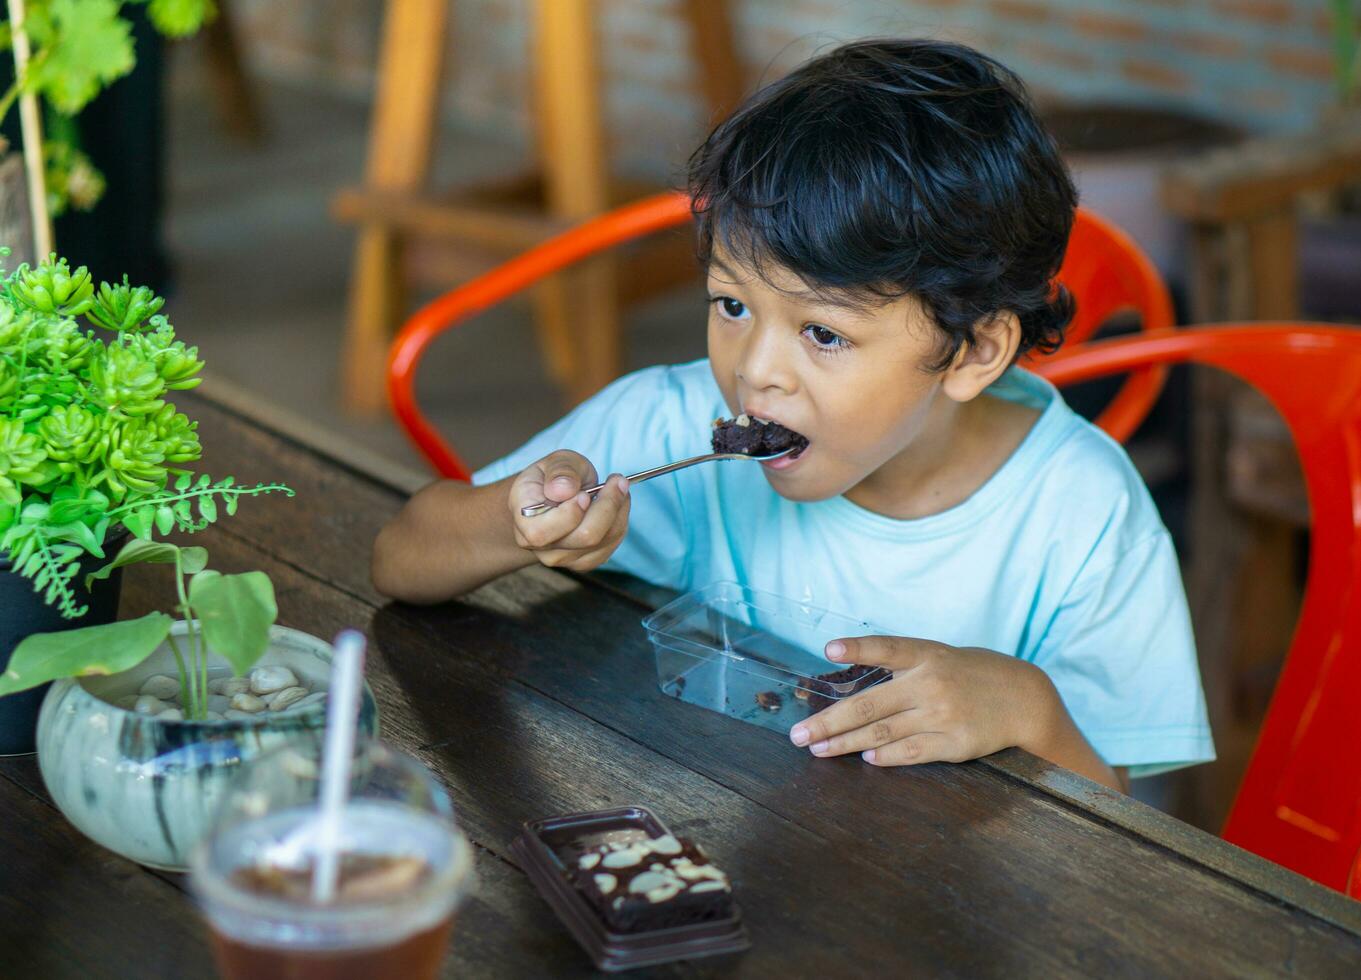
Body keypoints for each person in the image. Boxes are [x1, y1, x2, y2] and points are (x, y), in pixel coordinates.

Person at [372, 38, 1213, 792]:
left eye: (822, 332)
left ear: (972, 352)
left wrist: (1029, 711)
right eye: (731, 306)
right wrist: (513, 520)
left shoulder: (1080, 514)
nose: (754, 372)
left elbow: (1112, 816)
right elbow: (400, 559)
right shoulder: (667, 423)